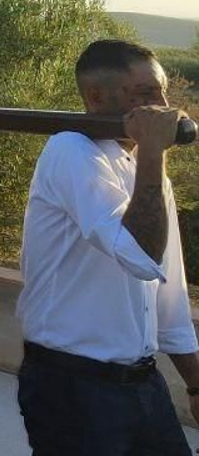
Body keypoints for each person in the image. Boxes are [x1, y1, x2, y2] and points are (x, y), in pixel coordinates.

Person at [16, 39, 199, 454]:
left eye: (163, 92)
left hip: (142, 384)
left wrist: (195, 381)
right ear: (97, 97)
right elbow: (139, 254)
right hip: (72, 388)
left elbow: (165, 290)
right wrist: (154, 150)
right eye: (146, 94)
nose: (164, 105)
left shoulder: (143, 168)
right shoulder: (69, 150)